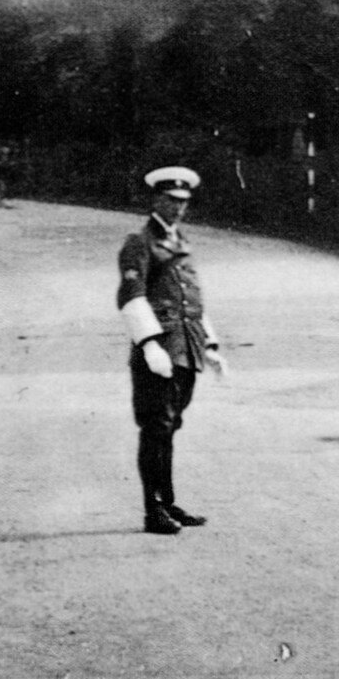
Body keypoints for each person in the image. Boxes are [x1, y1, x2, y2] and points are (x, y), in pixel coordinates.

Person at [116, 165, 226, 535]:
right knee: (155, 428)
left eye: (183, 202)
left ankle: (168, 502)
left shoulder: (181, 241)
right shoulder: (139, 242)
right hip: (160, 352)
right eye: (171, 201)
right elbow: (131, 296)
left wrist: (209, 344)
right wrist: (148, 344)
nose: (178, 208)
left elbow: (191, 299)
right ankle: (152, 512)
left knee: (170, 426)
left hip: (186, 349)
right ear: (156, 200)